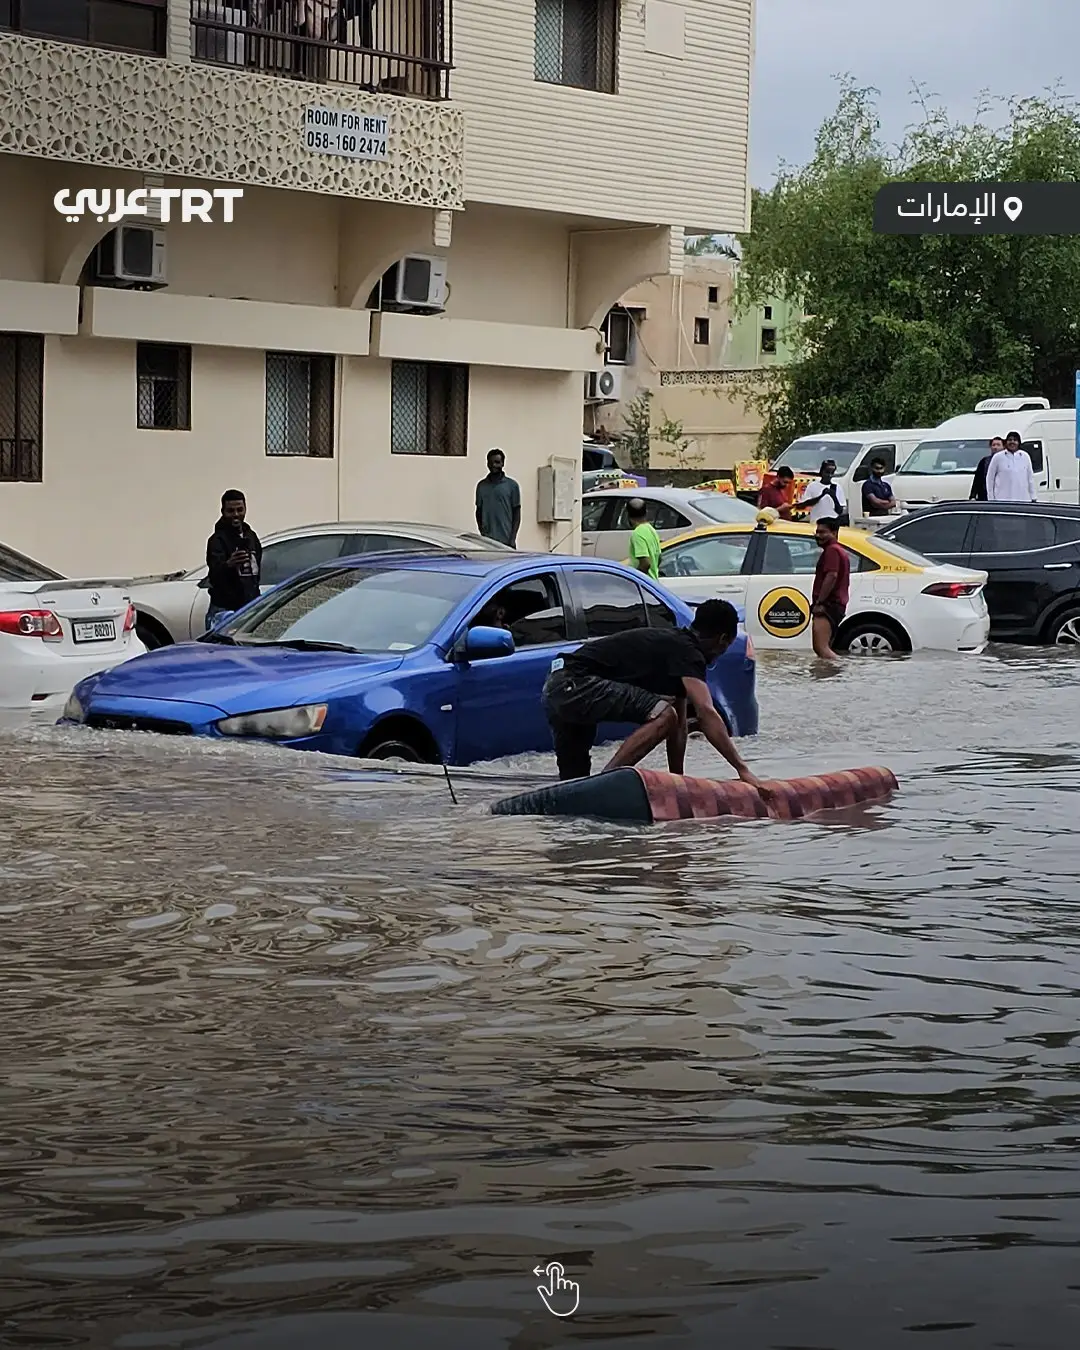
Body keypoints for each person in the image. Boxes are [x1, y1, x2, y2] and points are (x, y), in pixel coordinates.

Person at [542, 598, 771, 794]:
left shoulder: (676, 648)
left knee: (574, 785)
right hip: (576, 683)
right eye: (726, 647)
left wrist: (678, 780)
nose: (720, 655)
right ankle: (606, 781)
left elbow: (679, 727)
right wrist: (743, 770)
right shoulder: (688, 652)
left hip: (557, 685)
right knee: (663, 715)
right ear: (723, 639)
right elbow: (706, 712)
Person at [205, 489, 262, 631]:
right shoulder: (216, 541)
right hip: (225, 609)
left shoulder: (251, 537)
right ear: (223, 511)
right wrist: (229, 565)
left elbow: (256, 572)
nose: (236, 515)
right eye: (231, 511)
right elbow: (214, 576)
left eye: (240, 510)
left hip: (250, 607)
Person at [811, 517, 850, 660]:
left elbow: (831, 575)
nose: (818, 535)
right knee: (824, 648)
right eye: (817, 532)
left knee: (821, 648)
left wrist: (820, 602)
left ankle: (842, 674)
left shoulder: (832, 551)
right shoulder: (837, 550)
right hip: (834, 604)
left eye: (823, 532)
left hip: (828, 605)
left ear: (834, 533)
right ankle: (830, 678)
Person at [475, 448, 521, 547]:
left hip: (506, 541)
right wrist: (482, 532)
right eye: (491, 462)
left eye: (497, 462)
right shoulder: (481, 486)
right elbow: (478, 511)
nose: (493, 465)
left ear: (503, 464)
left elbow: (517, 513)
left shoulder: (512, 485)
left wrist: (512, 538)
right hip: (487, 541)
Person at [986, 430, 1036, 502]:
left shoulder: (1025, 456)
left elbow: (1030, 478)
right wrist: (991, 498)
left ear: (1018, 443)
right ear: (1006, 442)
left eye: (1015, 440)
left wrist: (1033, 496)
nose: (1012, 442)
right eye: (1010, 440)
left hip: (1023, 499)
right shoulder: (998, 457)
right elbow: (990, 479)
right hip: (1002, 500)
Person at [626, 498, 662, 579]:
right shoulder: (651, 529)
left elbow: (645, 564)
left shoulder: (637, 534)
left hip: (644, 586)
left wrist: (634, 578)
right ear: (646, 513)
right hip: (653, 583)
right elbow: (659, 558)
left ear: (628, 515)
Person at [970, 436, 1004, 501]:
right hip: (985, 496)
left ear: (1003, 447)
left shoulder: (1006, 461)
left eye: (998, 445)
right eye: (993, 445)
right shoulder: (984, 461)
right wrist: (973, 495)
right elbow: (977, 479)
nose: (995, 447)